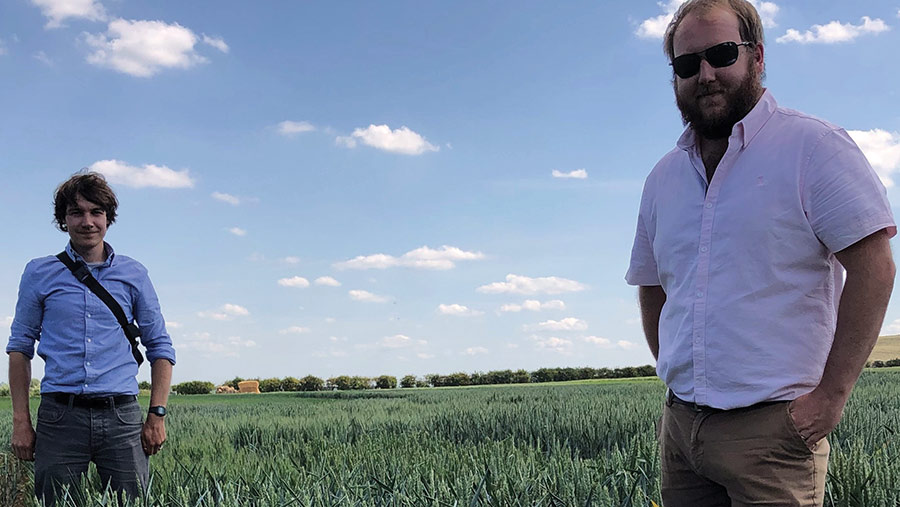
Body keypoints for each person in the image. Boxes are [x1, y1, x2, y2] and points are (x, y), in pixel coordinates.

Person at [625, 1, 896, 505]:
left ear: (757, 57)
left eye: (722, 54)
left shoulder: (813, 147)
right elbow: (653, 284)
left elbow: (874, 268)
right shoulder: (662, 178)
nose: (705, 74)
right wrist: (676, 375)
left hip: (774, 433)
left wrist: (830, 399)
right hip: (683, 430)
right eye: (687, 64)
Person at [7, 171, 176, 505]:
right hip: (60, 417)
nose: (87, 221)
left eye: (96, 212)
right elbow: (20, 348)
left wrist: (157, 414)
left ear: (108, 218)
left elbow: (159, 347)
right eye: (76, 212)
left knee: (132, 502)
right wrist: (21, 422)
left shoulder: (134, 274)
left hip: (122, 417)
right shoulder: (39, 272)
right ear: (63, 220)